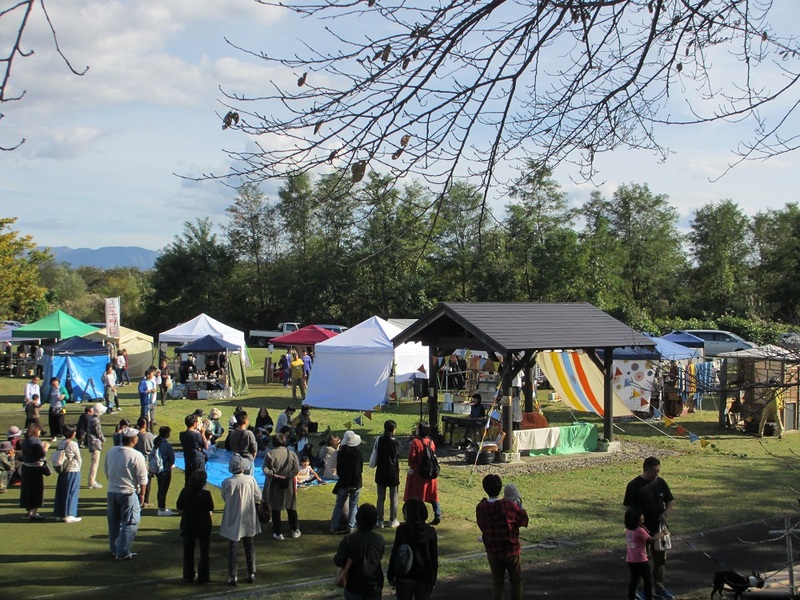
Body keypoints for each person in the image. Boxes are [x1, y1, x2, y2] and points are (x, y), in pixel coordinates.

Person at [623, 456, 675, 600]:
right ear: (645, 469)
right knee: (641, 561)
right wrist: (637, 522)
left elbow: (670, 500)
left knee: (660, 560)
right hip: (641, 531)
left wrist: (665, 513)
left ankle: (659, 588)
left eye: (658, 471)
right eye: (654, 471)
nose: (656, 474)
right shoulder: (634, 485)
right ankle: (640, 590)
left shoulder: (660, 483)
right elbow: (628, 506)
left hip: (658, 527)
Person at [475, 474, 529, 600]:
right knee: (515, 581)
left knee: (497, 582)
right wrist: (519, 506)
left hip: (493, 550)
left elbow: (482, 525)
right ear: (500, 488)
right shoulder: (508, 506)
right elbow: (524, 520)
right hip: (511, 550)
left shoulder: (481, 507)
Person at [104, 426, 148, 560]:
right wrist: (142, 495)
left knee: (114, 523)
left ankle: (114, 548)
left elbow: (106, 471)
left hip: (112, 491)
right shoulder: (136, 455)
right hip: (128, 492)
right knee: (131, 523)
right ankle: (122, 551)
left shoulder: (111, 451)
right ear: (134, 439)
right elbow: (142, 478)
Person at [220, 454, 262, 586]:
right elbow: (258, 496)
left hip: (233, 515)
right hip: (247, 515)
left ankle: (233, 575)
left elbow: (224, 497)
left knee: (233, 546)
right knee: (249, 545)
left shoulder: (227, 482)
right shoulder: (250, 480)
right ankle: (251, 573)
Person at [387, 498, 439, 599]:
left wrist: (391, 575)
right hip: (424, 576)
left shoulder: (402, 530)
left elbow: (395, 553)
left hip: (404, 575)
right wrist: (433, 578)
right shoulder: (431, 532)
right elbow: (433, 557)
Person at [333, 503, 385, 600]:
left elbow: (338, 561)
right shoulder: (379, 540)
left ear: (357, 519)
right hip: (374, 586)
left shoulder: (349, 540)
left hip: (354, 588)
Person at [176, 470, 215, 584]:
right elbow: (210, 507)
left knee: (188, 551)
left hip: (189, 524)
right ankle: (203, 576)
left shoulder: (186, 491)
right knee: (204, 552)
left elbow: (179, 505)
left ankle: (188, 575)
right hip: (203, 525)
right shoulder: (206, 494)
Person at [262, 432, 301, 539]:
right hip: (288, 484)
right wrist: (288, 476)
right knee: (291, 506)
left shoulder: (270, 454)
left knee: (276, 508)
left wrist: (275, 475)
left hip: (274, 484)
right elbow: (297, 469)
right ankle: (295, 529)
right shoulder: (291, 454)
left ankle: (278, 532)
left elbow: (265, 470)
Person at [625, 506, 669, 600]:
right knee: (647, 579)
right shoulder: (640, 531)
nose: (643, 516)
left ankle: (631, 596)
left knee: (634, 579)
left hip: (630, 559)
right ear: (637, 518)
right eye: (641, 515)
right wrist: (662, 534)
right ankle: (649, 597)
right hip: (641, 560)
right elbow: (651, 540)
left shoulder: (628, 530)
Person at [404, 422, 442, 525]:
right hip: (430, 473)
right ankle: (438, 514)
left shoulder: (416, 442)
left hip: (418, 473)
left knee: (415, 496)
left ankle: (416, 516)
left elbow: (411, 458)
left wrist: (412, 465)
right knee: (433, 495)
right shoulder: (431, 442)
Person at [330, 430, 363, 533]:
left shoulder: (341, 454)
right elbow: (360, 469)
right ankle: (351, 526)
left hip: (344, 481)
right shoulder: (359, 453)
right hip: (356, 482)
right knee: (353, 505)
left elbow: (339, 469)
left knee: (339, 505)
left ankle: (334, 526)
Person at [374, 419, 401, 528]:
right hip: (393, 472)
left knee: (380, 498)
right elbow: (398, 455)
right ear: (393, 429)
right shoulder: (396, 442)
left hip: (381, 471)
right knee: (393, 497)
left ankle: (380, 520)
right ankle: (392, 519)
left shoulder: (379, 440)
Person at [53, 424, 82, 523]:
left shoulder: (60, 443)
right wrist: (78, 467)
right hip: (72, 470)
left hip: (62, 470)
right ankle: (70, 514)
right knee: (72, 492)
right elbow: (78, 458)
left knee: (62, 492)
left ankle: (60, 513)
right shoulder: (73, 444)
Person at [19, 423, 49, 520]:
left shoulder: (25, 441)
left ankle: (29, 511)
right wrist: (45, 448)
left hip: (26, 468)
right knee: (36, 491)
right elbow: (41, 455)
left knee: (28, 490)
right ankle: (34, 513)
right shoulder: (35, 441)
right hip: (35, 469)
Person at [150, 425, 176, 516]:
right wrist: (170, 465)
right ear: (166, 434)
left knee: (160, 488)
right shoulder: (166, 445)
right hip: (165, 470)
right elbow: (172, 458)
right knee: (163, 490)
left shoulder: (156, 442)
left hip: (158, 469)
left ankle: (161, 507)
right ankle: (161, 508)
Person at [180, 413, 209, 485]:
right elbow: (206, 446)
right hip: (197, 459)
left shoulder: (182, 434)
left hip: (188, 458)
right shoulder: (196, 435)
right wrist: (202, 433)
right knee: (200, 479)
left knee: (188, 479)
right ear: (194, 423)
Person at [134, 417, 155, 507]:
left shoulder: (135, 435)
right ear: (145, 425)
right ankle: (145, 500)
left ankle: (138, 498)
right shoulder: (149, 435)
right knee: (147, 480)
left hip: (137, 459)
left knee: (138, 479)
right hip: (146, 459)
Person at [86, 403, 106, 489]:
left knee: (94, 462)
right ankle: (92, 481)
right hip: (95, 442)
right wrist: (103, 439)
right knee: (95, 462)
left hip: (91, 441)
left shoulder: (90, 418)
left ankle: (91, 480)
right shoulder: (96, 420)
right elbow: (99, 433)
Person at [47, 376, 67, 441]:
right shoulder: (51, 389)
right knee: (52, 422)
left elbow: (67, 396)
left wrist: (63, 396)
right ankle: (53, 436)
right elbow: (47, 397)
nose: (55, 383)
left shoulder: (62, 388)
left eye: (56, 382)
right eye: (53, 382)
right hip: (52, 407)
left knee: (61, 422)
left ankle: (63, 434)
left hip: (60, 408)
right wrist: (41, 404)